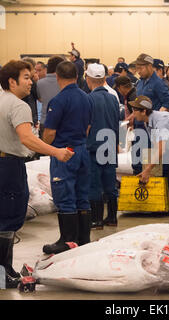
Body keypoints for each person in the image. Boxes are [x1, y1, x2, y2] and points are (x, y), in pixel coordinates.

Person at [0, 60, 73, 288]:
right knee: (9, 219)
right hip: (9, 165)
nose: (32, 82)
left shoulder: (2, 100)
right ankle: (4, 274)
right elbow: (27, 138)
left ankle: (5, 270)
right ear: (12, 81)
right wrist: (57, 152)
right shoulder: (19, 105)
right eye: (26, 77)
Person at [42, 61, 93, 255]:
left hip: (64, 152)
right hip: (82, 150)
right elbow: (88, 128)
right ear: (78, 76)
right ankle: (83, 239)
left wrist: (47, 148)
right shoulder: (87, 98)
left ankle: (68, 239)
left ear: (57, 76)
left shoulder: (59, 100)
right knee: (82, 195)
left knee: (65, 195)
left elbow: (49, 133)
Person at [85, 63, 120, 228]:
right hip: (110, 146)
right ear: (105, 78)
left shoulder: (89, 99)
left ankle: (96, 220)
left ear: (88, 79)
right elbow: (116, 123)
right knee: (110, 184)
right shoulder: (113, 98)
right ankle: (112, 218)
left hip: (94, 148)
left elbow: (87, 126)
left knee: (95, 185)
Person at [132, 53, 169, 174]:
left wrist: (157, 118)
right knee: (137, 161)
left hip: (151, 129)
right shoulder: (140, 83)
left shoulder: (158, 83)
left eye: (141, 68)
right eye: (137, 68)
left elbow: (168, 103)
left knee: (151, 163)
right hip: (139, 126)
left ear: (150, 66)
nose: (138, 71)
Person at [37, 55, 65, 137]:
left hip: (45, 121)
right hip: (61, 122)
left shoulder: (39, 83)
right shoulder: (64, 83)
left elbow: (40, 99)